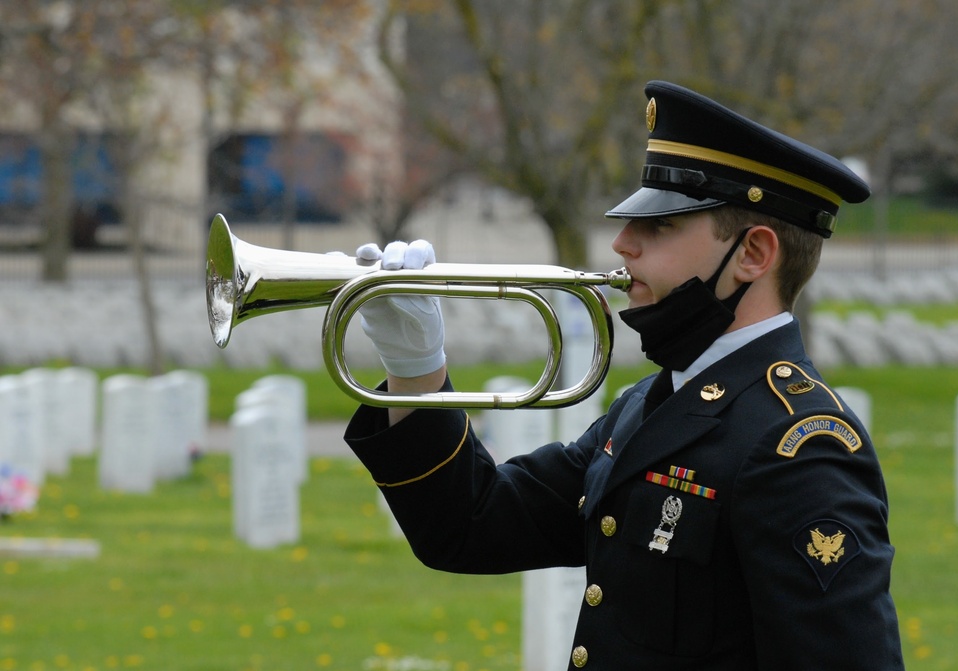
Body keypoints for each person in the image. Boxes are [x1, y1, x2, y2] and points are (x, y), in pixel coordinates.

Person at [344, 81, 905, 669]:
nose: (621, 243)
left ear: (753, 255)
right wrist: (415, 369)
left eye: (659, 227)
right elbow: (471, 524)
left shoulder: (799, 446)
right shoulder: (656, 402)